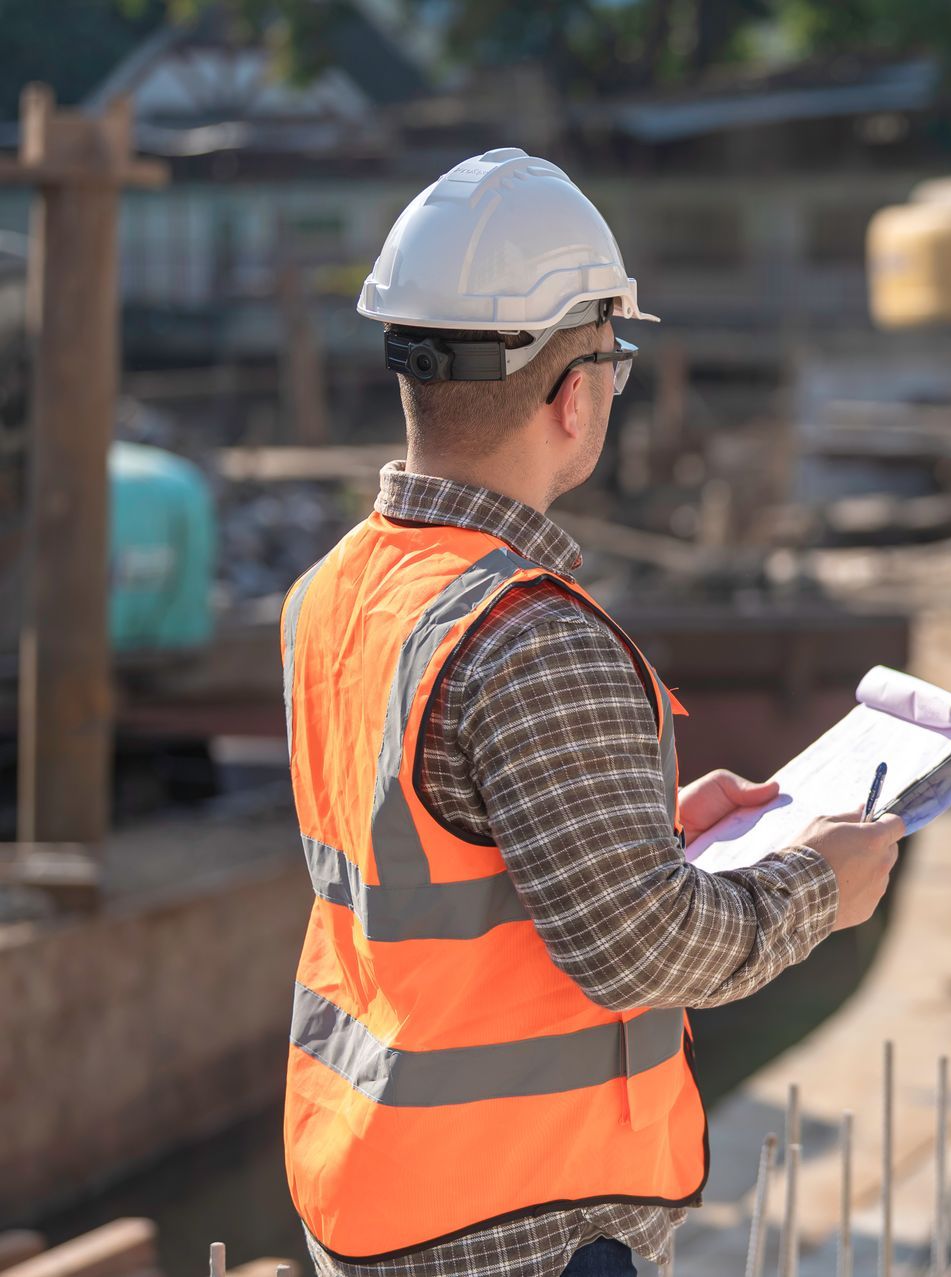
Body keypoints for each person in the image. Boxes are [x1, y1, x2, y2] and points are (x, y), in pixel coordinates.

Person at [278, 148, 903, 1277]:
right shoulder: (527, 634)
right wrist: (822, 886)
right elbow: (639, 948)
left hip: (375, 1191)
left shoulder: (338, 588)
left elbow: (433, 852)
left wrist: (644, 829)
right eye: (614, 356)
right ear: (576, 394)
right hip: (522, 1219)